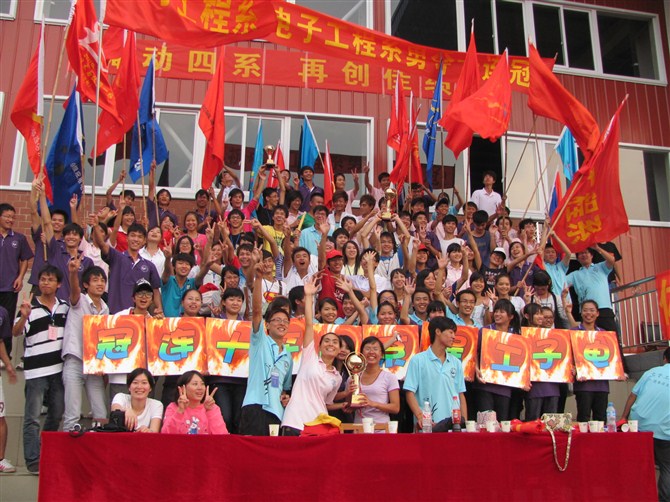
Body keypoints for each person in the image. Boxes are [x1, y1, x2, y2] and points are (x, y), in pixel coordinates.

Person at [12, 265, 69, 475]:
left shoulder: (64, 307)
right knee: (32, 417)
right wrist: (24, 316)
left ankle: (46, 452)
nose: (46, 282)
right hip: (36, 371)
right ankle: (33, 460)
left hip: (58, 370)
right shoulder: (29, 306)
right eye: (43, 279)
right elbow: (16, 332)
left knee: (57, 412)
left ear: (59, 284)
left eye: (50, 279)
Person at [281, 276, 342, 435]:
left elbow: (327, 402)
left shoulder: (337, 377)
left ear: (339, 350)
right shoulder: (310, 357)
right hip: (295, 421)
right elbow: (309, 324)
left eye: (335, 342)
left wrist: (348, 399)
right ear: (319, 346)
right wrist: (309, 296)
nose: (330, 344)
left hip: (319, 425)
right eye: (326, 341)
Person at [238, 263, 293, 436]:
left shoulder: (288, 356)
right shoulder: (260, 341)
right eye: (277, 320)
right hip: (254, 406)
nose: (281, 323)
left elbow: (284, 388)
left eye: (285, 321)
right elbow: (256, 312)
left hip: (276, 412)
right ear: (267, 324)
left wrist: (285, 397)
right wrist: (259, 278)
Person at [61, 260, 109, 432]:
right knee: (72, 415)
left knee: (101, 414)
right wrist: (73, 273)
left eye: (102, 280)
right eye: (95, 280)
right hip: (75, 360)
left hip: (94, 366)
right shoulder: (80, 300)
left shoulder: (105, 309)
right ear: (86, 284)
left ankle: (98, 445)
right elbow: (74, 291)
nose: (100, 284)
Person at [621, 347, 670, 502]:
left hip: (639, 426)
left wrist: (624, 417)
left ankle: (637, 497)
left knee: (640, 464)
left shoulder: (651, 372)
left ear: (664, 359)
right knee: (667, 467)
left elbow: (632, 396)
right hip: (664, 431)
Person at [404, 317, 467, 431]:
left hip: (453, 426)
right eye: (450, 332)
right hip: (428, 425)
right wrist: (420, 416)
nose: (454, 336)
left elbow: (460, 394)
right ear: (438, 331)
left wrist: (464, 423)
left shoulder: (456, 362)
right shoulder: (418, 360)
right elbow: (409, 392)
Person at [0, 202, 34, 359]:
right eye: (7, 216)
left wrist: (20, 277)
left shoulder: (19, 238)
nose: (10, 220)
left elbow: (25, 259)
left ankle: (5, 356)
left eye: (13, 217)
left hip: (9, 288)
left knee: (6, 322)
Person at [347, 336, 400, 425]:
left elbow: (395, 408)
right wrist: (349, 397)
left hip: (381, 428)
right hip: (359, 428)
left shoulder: (390, 377)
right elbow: (349, 405)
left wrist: (372, 403)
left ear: (381, 354)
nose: (371, 352)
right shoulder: (353, 377)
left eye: (375, 349)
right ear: (361, 354)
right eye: (367, 349)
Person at [161, 370, 228, 435]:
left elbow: (222, 437)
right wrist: (180, 411)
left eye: (202, 384)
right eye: (195, 384)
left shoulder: (212, 408)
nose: (200, 388)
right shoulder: (173, 407)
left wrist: (209, 411)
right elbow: (166, 435)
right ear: (182, 388)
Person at [111, 368, 163, 433]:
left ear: (150, 388)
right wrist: (126, 410)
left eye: (144, 383)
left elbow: (154, 431)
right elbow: (114, 411)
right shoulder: (120, 397)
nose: (139, 387)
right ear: (129, 387)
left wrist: (148, 431)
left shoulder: (157, 405)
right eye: (135, 383)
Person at [0, 305, 17, 473]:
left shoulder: (2, 312)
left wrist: (8, 365)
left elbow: (0, 341)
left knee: (0, 417)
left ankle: (0, 459)